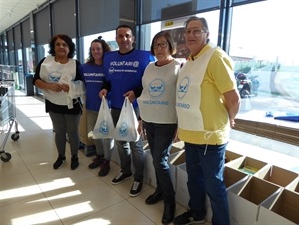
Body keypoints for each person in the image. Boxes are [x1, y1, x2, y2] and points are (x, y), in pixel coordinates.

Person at [173, 16, 240, 225]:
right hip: (191, 135)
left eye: (197, 31)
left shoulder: (215, 57)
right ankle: (198, 214)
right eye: (188, 31)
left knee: (213, 184)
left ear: (207, 34)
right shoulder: (189, 62)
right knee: (194, 179)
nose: (191, 35)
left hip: (211, 137)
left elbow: (233, 98)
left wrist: (230, 118)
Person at [99, 24, 154, 197]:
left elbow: (149, 82)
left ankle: (138, 178)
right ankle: (125, 170)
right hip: (115, 106)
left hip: (135, 108)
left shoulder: (145, 57)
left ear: (133, 38)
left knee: (135, 144)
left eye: (127, 36)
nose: (124, 39)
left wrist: (136, 93)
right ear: (116, 39)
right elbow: (108, 80)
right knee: (120, 141)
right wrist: (105, 89)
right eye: (120, 36)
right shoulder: (109, 58)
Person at [137, 31, 181, 224]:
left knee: (160, 160)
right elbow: (145, 93)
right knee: (156, 158)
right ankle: (160, 191)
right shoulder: (148, 67)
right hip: (149, 119)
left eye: (163, 44)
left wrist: (181, 124)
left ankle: (170, 202)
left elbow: (182, 97)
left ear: (170, 46)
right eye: (156, 45)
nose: (159, 48)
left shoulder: (179, 67)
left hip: (167, 121)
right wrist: (141, 118)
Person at [33, 34, 84, 170]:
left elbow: (82, 84)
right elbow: (36, 80)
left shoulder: (75, 64)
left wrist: (71, 87)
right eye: (58, 44)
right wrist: (49, 86)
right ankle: (61, 156)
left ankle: (74, 156)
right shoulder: (45, 62)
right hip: (53, 103)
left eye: (64, 44)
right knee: (59, 131)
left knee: (73, 132)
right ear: (53, 47)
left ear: (69, 48)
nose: (61, 47)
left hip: (71, 104)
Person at [79, 36, 114, 177]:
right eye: (93, 49)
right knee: (96, 134)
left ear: (103, 49)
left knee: (106, 136)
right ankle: (99, 156)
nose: (95, 51)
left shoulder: (109, 66)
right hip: (91, 106)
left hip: (107, 107)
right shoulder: (84, 67)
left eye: (98, 48)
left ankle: (107, 161)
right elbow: (80, 85)